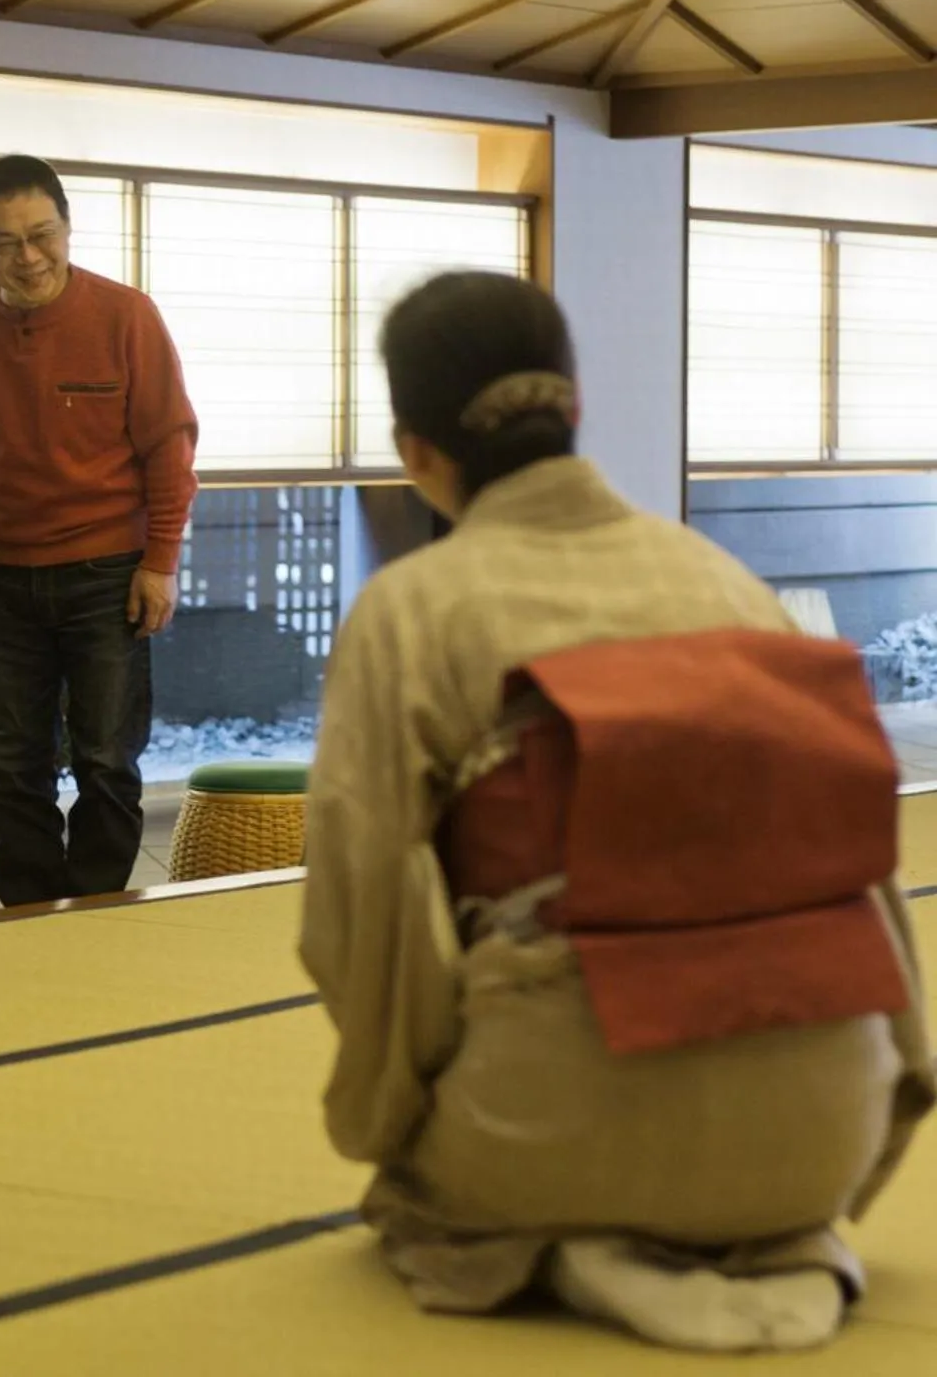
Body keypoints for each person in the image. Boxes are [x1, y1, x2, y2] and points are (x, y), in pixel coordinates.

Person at [299, 272, 933, 1354]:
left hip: (556, 1113)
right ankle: (774, 1239)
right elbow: (854, 863)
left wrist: (383, 1120)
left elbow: (358, 913)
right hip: (827, 1124)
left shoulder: (411, 609)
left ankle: (570, 1246)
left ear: (412, 451)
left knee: (412, 1202)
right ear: (574, 409)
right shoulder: (721, 579)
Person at [0, 155, 197, 907]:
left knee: (107, 756)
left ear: (68, 227)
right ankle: (31, 910)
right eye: (3, 241)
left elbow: (170, 445)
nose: (27, 255)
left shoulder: (125, 315)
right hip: (6, 571)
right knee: (14, 758)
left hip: (111, 569)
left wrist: (161, 560)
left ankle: (99, 908)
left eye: (42, 234)